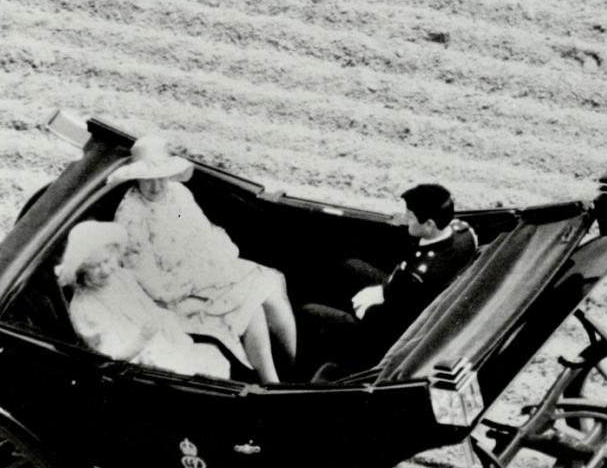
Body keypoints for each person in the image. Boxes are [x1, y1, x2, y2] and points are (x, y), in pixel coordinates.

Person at [107, 136, 295, 385]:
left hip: (206, 274)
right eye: (148, 179)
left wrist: (215, 264)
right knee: (253, 311)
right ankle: (271, 382)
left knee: (270, 292)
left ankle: (293, 370)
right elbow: (150, 283)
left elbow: (203, 234)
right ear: (136, 178)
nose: (156, 186)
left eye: (161, 176)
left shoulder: (178, 193)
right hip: (172, 297)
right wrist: (199, 278)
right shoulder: (131, 215)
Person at [299, 182, 478, 378]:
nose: (406, 219)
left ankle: (301, 369)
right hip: (402, 298)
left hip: (385, 332)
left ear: (429, 225)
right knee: (350, 267)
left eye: (410, 217)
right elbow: (398, 286)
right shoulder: (463, 233)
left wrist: (365, 307)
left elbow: (384, 321)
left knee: (308, 313)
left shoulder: (417, 276)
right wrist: (383, 290)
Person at [56, 220, 229, 379]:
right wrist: (144, 337)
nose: (105, 270)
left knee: (213, 358)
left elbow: (148, 309)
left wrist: (165, 323)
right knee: (192, 374)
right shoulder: (85, 307)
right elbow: (110, 358)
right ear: (82, 269)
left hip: (158, 342)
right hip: (133, 367)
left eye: (107, 261)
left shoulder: (121, 277)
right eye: (95, 266)